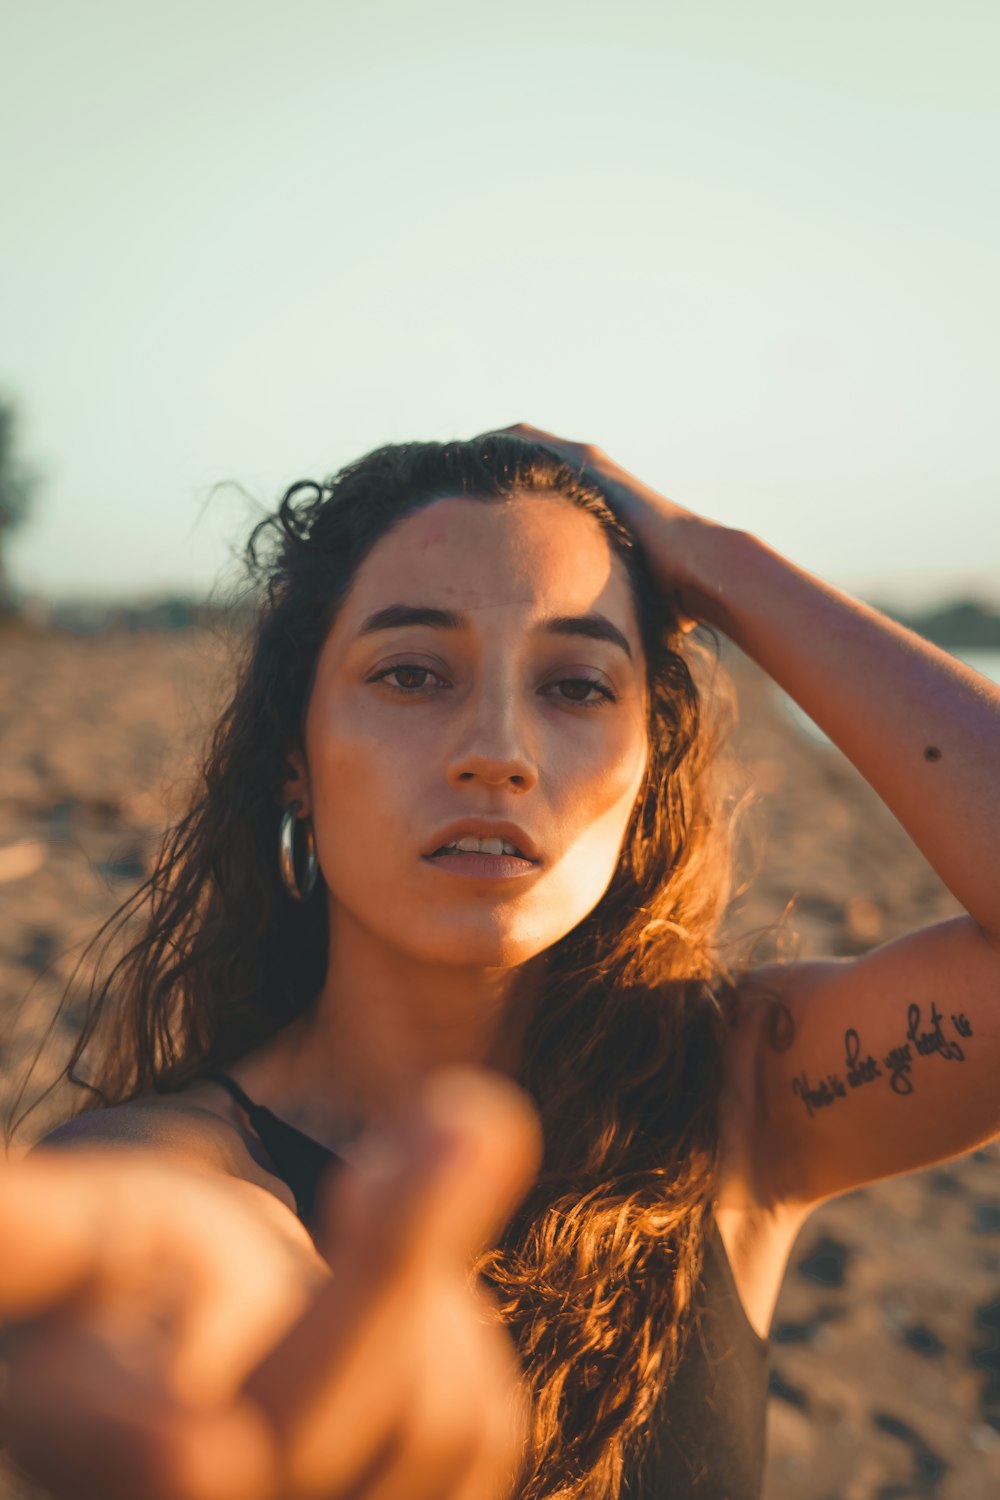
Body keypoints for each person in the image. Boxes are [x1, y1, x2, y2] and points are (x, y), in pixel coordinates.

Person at [2, 422, 999, 1500]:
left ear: (646, 766)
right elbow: (173, 1277)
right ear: (294, 762)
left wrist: (713, 557)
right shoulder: (170, 1177)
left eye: (575, 687)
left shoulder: (740, 1099)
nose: (498, 752)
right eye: (412, 673)